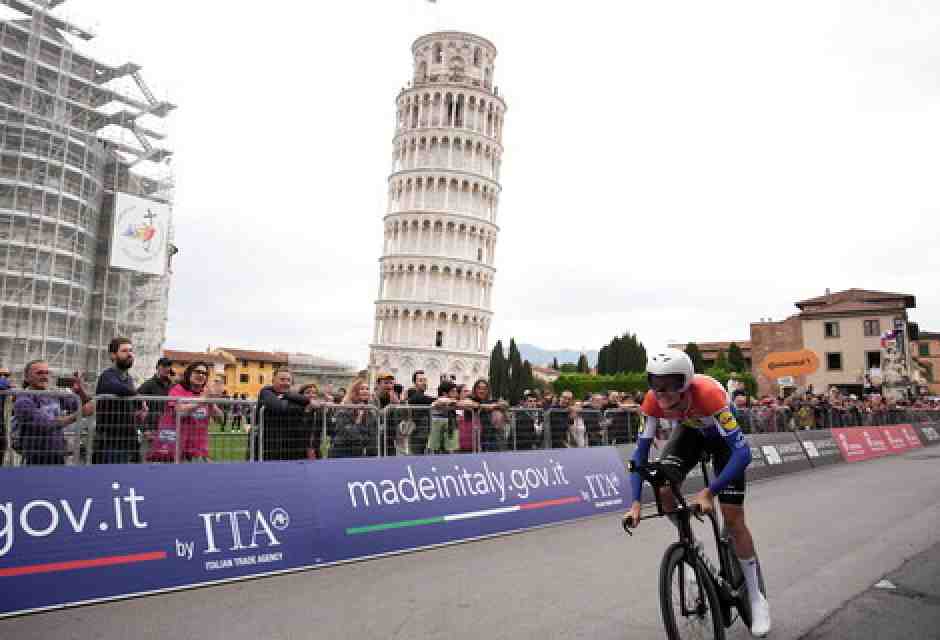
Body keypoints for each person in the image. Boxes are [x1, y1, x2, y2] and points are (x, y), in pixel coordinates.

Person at [625, 348, 770, 637]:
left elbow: (742, 454)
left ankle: (756, 597)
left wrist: (709, 491)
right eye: (655, 383)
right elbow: (639, 455)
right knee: (663, 486)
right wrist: (635, 502)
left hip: (723, 442)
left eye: (670, 384)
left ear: (686, 381)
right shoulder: (653, 401)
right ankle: (691, 550)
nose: (662, 392)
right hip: (691, 434)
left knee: (732, 519)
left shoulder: (709, 395)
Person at [13, 362, 93, 465]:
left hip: (57, 453)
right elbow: (45, 424)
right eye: (39, 373)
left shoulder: (52, 394)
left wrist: (80, 391)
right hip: (36, 456)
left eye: (47, 373)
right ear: (27, 377)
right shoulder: (23, 399)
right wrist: (77, 415)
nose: (44, 376)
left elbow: (81, 405)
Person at [148, 362, 223, 462]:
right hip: (175, 449)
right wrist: (203, 400)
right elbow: (179, 412)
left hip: (197, 450)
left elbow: (220, 420)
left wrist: (212, 403)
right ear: (189, 373)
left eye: (204, 373)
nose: (201, 375)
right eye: (197, 372)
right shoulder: (177, 390)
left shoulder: (205, 393)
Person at [94, 337, 147, 464]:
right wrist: (140, 400)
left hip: (129, 440)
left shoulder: (128, 378)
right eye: (124, 351)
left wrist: (139, 411)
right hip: (111, 443)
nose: (129, 354)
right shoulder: (108, 375)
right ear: (113, 355)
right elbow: (116, 387)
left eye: (131, 350)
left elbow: (129, 401)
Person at [256, 369, 321, 460]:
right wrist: (306, 403)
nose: (286, 383)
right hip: (266, 448)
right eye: (282, 379)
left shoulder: (293, 397)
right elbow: (278, 407)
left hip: (288, 449)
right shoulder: (266, 392)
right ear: (273, 381)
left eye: (288, 380)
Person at [137, 357, 175, 459]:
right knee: (147, 461)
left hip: (168, 431)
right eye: (164, 366)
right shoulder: (148, 385)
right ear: (157, 367)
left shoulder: (172, 386)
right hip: (151, 431)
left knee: (167, 461)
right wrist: (144, 429)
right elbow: (136, 406)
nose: (167, 369)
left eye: (169, 366)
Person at [331, 380, 379, 458]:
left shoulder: (370, 410)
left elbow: (372, 435)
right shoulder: (344, 409)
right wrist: (359, 418)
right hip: (342, 452)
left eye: (367, 389)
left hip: (359, 452)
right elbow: (347, 435)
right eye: (362, 389)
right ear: (355, 391)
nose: (365, 391)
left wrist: (372, 454)